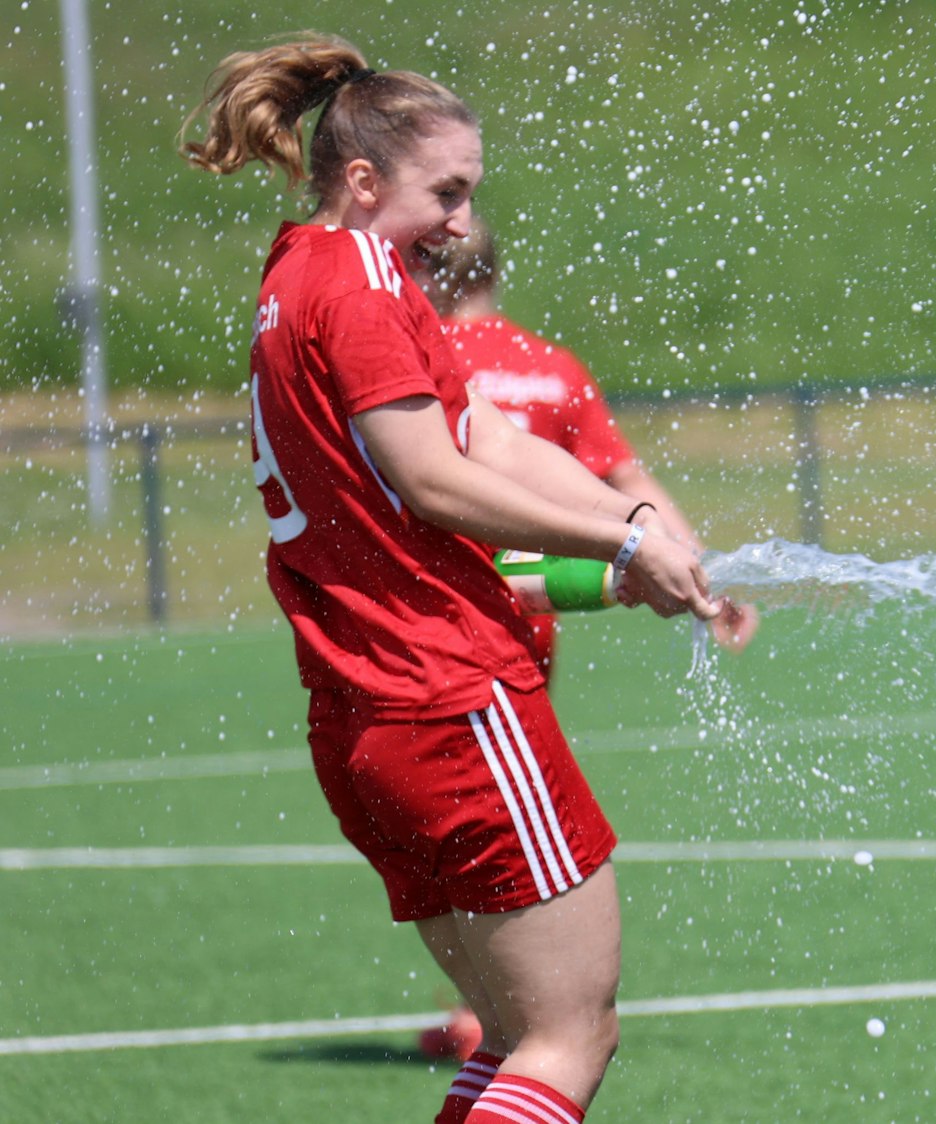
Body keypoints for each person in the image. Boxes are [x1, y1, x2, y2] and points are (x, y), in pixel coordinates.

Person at [182, 35, 721, 1124]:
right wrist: (620, 548)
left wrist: (636, 517)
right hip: (453, 696)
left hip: (370, 711)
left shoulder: (302, 271)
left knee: (518, 1040)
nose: (464, 223)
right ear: (366, 180)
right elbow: (436, 479)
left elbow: (488, 440)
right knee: (573, 1029)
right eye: (449, 191)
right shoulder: (363, 286)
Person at [411, 215, 757, 680]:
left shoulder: (420, 358)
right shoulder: (553, 367)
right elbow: (627, 478)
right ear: (494, 272)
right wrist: (700, 572)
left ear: (426, 270)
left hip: (428, 614)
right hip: (528, 612)